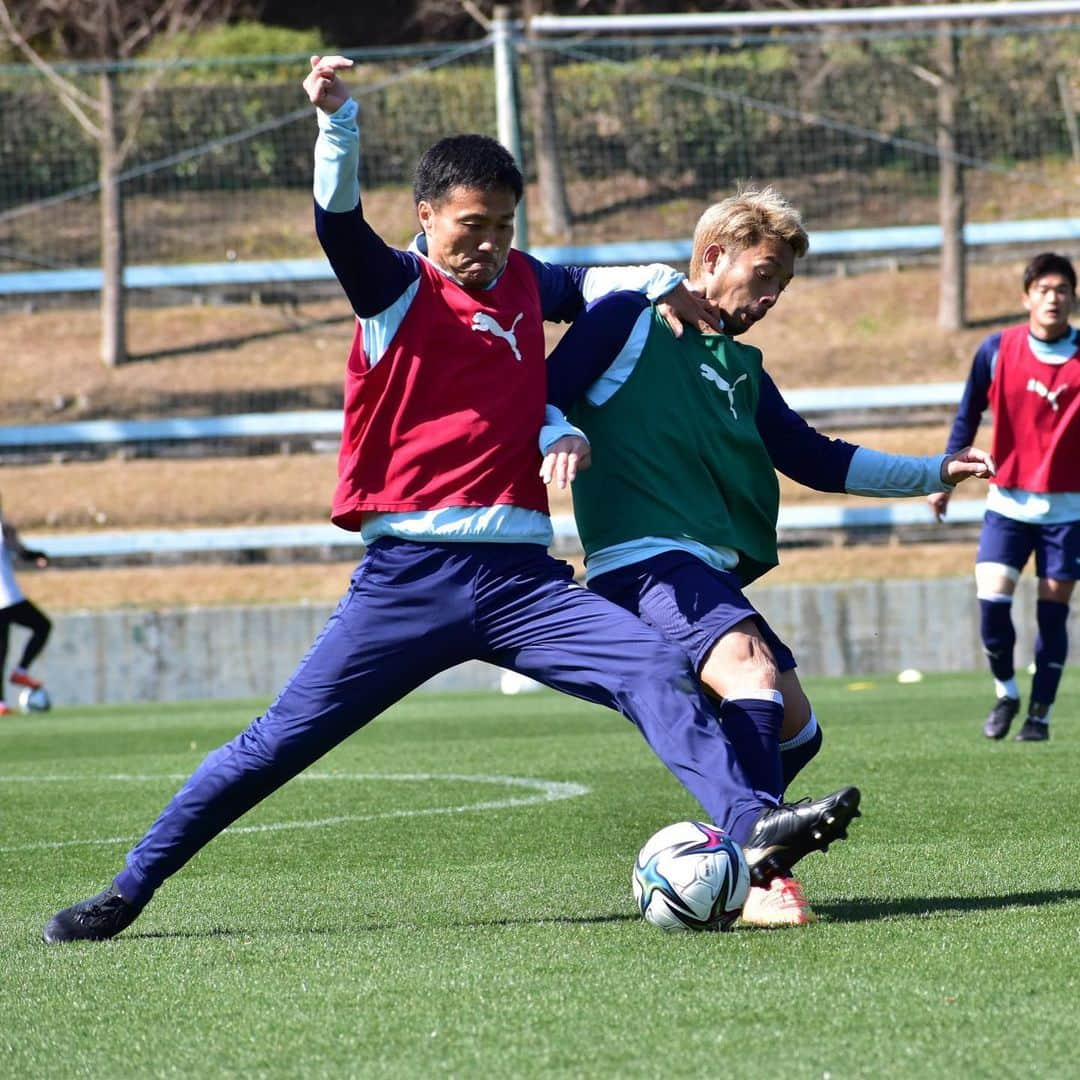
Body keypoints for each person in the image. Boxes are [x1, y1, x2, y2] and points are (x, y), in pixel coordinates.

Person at [41, 58, 862, 944]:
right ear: (427, 218)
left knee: (657, 669)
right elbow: (336, 221)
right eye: (472, 227)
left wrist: (670, 285)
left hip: (522, 585)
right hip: (408, 581)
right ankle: (129, 888)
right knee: (277, 744)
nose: (491, 246)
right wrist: (336, 123)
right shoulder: (393, 287)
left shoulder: (517, 279)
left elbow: (589, 286)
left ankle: (750, 835)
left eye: (505, 227)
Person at [543, 186, 994, 926]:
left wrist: (932, 472)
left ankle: (715, 851)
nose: (773, 295)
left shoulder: (742, 367)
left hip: (703, 569)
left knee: (798, 729)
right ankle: (751, 875)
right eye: (765, 274)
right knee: (753, 675)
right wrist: (552, 434)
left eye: (783, 284)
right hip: (644, 562)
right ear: (713, 257)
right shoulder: (631, 319)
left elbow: (815, 458)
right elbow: (545, 390)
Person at [929, 252, 1078, 744]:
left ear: (1073, 297)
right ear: (1026, 298)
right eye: (1043, 289)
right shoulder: (996, 350)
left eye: (1061, 289)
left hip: (1069, 511)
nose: (1053, 297)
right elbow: (966, 415)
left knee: (1051, 614)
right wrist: (944, 477)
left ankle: (1039, 715)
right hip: (1008, 504)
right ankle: (1007, 692)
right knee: (992, 604)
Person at [0, 500, 52, 716]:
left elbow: (19, 552)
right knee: (42, 625)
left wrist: (37, 556)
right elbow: (20, 552)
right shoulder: (4, 528)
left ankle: (1, 702)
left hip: (8, 599)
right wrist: (38, 556)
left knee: (2, 650)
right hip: (8, 598)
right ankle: (20, 672)